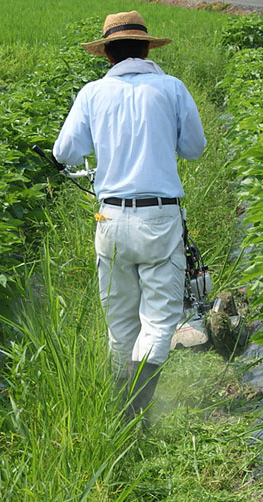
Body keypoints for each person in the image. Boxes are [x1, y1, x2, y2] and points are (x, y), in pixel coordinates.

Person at [53, 10, 206, 415]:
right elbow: (193, 147)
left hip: (111, 219)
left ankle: (121, 411)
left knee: (121, 327)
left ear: (108, 54)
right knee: (158, 322)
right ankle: (136, 412)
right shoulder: (171, 88)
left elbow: (64, 153)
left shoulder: (92, 93)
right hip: (159, 218)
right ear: (145, 48)